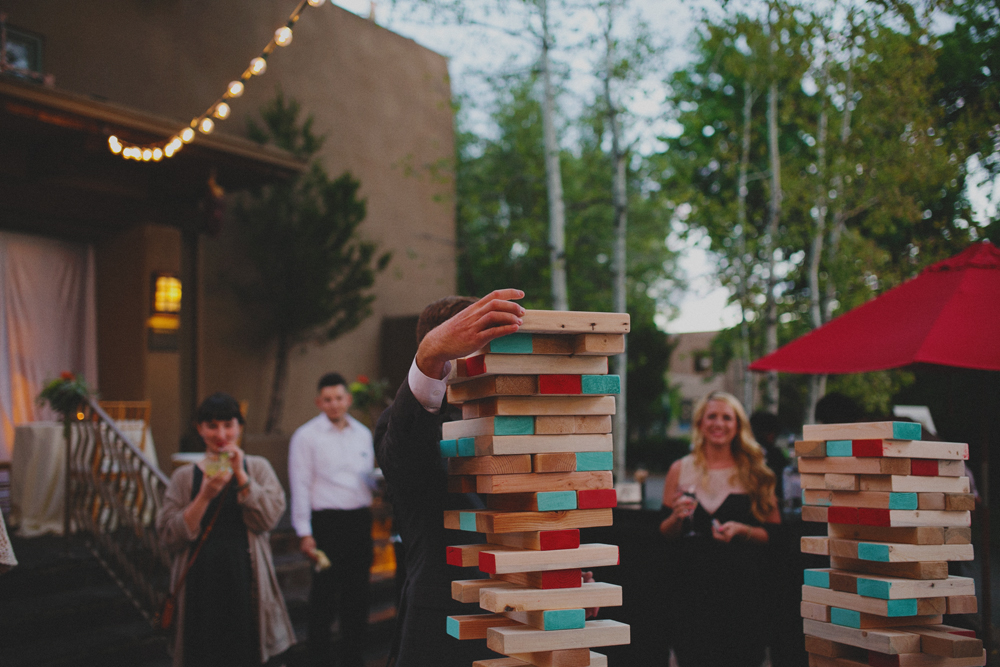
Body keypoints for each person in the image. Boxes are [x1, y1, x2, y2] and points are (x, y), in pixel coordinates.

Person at [374, 290, 524, 667]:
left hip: (520, 618)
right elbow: (405, 461)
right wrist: (428, 357)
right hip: (445, 625)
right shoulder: (405, 422)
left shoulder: (516, 424)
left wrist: (557, 572)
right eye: (478, 342)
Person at [156, 393, 293, 667]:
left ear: (239, 427)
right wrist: (204, 496)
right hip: (200, 579)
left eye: (228, 425)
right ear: (199, 428)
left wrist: (242, 477)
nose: (221, 434)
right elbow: (168, 535)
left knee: (244, 650)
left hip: (245, 574)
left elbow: (268, 519)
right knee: (202, 651)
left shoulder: (258, 468)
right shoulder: (184, 477)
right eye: (212, 426)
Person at [659, 391, 780, 667]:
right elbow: (664, 532)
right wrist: (676, 518)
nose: (719, 423)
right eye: (711, 416)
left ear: (738, 426)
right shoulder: (680, 470)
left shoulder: (755, 472)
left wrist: (743, 530)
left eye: (727, 417)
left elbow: (774, 534)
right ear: (700, 423)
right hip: (692, 594)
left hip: (743, 594)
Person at [288, 372, 376, 667]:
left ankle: (353, 657)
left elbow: (365, 479)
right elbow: (299, 484)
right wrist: (304, 532)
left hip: (359, 521)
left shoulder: (364, 434)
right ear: (318, 402)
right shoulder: (306, 436)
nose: (334, 404)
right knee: (323, 596)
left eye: (339, 398)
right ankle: (319, 659)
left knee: (358, 595)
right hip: (325, 524)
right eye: (327, 399)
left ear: (348, 399)